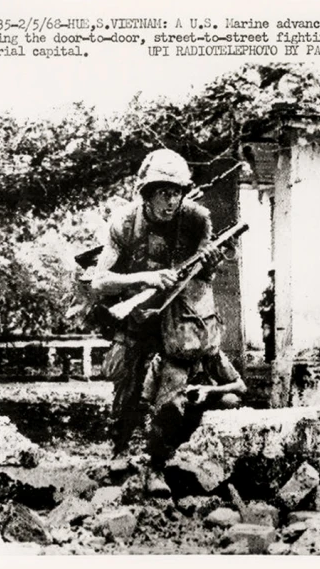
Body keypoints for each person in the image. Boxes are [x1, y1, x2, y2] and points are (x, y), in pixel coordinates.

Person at [89, 149, 245, 467]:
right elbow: (99, 282)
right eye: (163, 193)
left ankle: (160, 455)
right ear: (147, 194)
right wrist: (147, 277)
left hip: (176, 316)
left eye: (176, 193)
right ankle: (119, 450)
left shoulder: (197, 219)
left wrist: (211, 266)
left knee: (174, 389)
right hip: (135, 313)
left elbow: (200, 276)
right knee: (126, 378)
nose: (171, 202)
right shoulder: (125, 222)